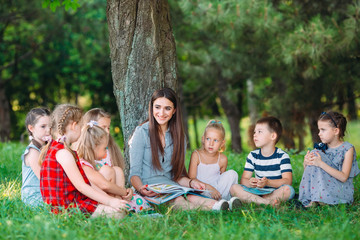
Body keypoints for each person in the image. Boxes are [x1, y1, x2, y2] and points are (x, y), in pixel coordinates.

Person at [129, 88, 229, 211]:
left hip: (171, 186)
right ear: (152, 108)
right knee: (179, 200)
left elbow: (177, 175)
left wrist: (192, 183)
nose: (161, 113)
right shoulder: (142, 133)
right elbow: (134, 174)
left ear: (174, 111)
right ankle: (208, 210)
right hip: (149, 188)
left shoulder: (179, 136)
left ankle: (221, 205)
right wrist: (141, 188)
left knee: (191, 196)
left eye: (167, 108)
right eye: (157, 107)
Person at [39, 104, 129, 218]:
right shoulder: (63, 153)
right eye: (81, 126)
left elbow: (87, 183)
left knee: (117, 210)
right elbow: (82, 186)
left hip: (71, 203)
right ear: (74, 125)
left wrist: (109, 200)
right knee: (118, 213)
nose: (82, 130)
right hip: (67, 209)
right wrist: (110, 202)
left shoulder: (57, 148)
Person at [77, 121, 152, 213]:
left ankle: (120, 201)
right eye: (104, 148)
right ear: (94, 147)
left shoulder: (89, 163)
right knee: (107, 170)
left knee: (117, 170)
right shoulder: (84, 166)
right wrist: (125, 192)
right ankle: (119, 202)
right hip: (95, 200)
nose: (106, 152)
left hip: (106, 197)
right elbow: (104, 185)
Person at [299, 111, 360, 207]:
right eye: (319, 130)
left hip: (341, 190)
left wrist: (320, 163)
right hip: (323, 187)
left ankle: (324, 200)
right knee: (314, 153)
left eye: (323, 130)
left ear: (336, 131)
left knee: (316, 154)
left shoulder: (348, 149)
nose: (319, 134)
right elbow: (312, 174)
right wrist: (306, 163)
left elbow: (344, 177)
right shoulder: (320, 148)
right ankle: (315, 199)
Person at [230, 116, 295, 206]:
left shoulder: (282, 156)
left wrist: (268, 182)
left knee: (288, 190)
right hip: (256, 191)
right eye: (255, 132)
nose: (254, 135)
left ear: (273, 136)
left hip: (274, 191)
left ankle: (257, 202)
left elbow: (288, 181)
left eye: (259, 132)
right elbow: (243, 180)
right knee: (234, 188)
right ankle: (267, 203)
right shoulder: (253, 155)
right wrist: (250, 182)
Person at [188, 119, 241, 209]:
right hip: (201, 190)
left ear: (222, 143)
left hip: (217, 190)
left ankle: (225, 202)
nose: (211, 143)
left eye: (215, 140)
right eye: (208, 139)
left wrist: (214, 189)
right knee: (197, 187)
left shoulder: (223, 159)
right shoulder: (196, 155)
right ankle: (222, 203)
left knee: (232, 173)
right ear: (203, 139)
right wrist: (209, 188)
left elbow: (222, 179)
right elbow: (191, 178)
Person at [21, 107, 51, 207]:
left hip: (45, 194)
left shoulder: (46, 147)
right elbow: (45, 180)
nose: (48, 130)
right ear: (31, 128)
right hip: (34, 197)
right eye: (43, 126)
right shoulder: (33, 151)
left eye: (50, 126)